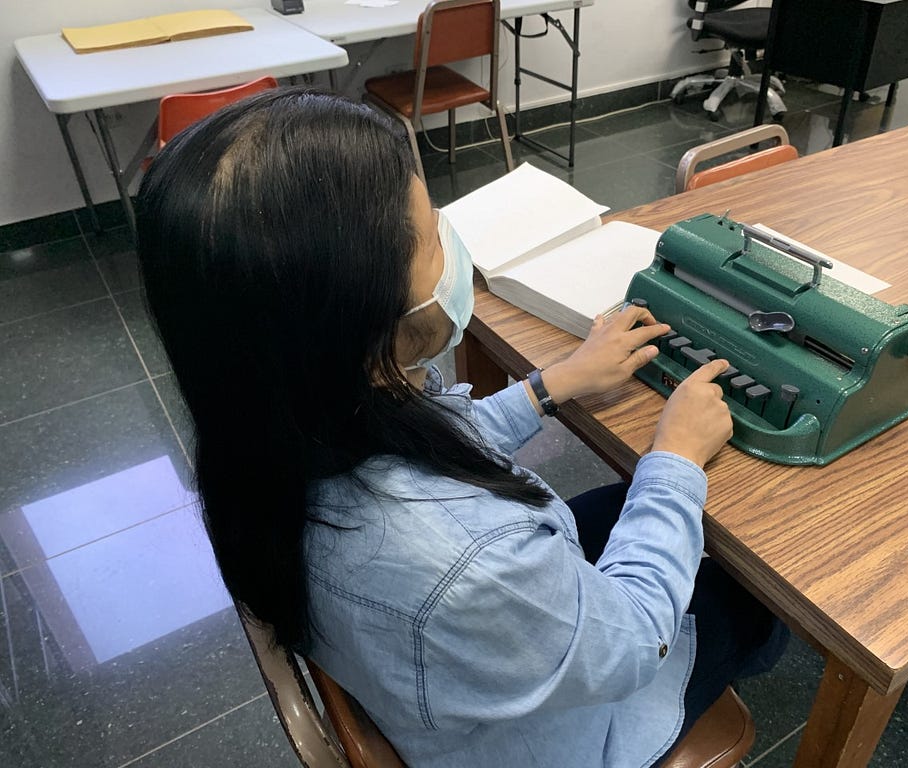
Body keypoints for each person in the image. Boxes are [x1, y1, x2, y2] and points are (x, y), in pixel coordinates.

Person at [135, 88, 787, 768]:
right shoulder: (466, 564)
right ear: (356, 309)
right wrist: (676, 456)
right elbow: (629, 643)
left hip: (428, 651)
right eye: (426, 230)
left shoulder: (273, 415)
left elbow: (434, 445)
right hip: (556, 736)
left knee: (638, 505)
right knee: (762, 598)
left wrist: (550, 385)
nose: (450, 233)